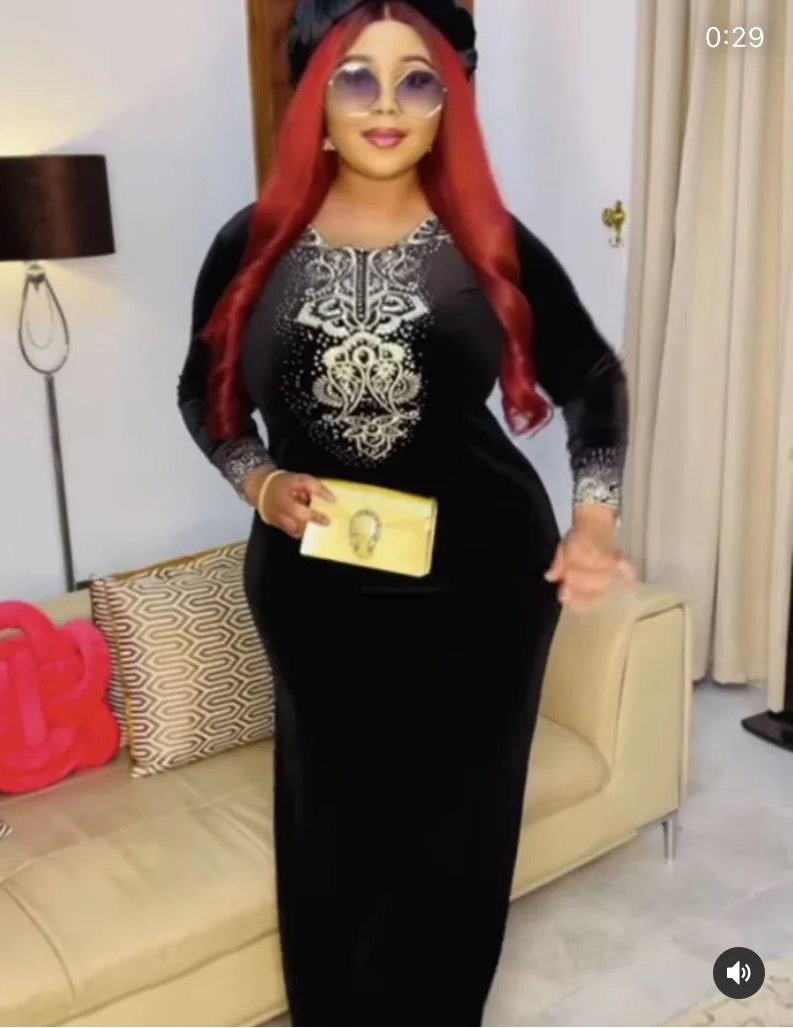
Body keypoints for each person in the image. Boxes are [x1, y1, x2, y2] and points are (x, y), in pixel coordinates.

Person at [178, 1, 632, 1023]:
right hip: (317, 597)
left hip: (482, 593)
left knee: (458, 838)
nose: (387, 104)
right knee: (331, 831)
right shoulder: (249, 244)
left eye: (416, 78)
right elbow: (199, 395)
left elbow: (592, 378)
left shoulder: (487, 238)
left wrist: (594, 520)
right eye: (357, 76)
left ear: (445, 102)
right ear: (314, 94)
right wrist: (259, 482)